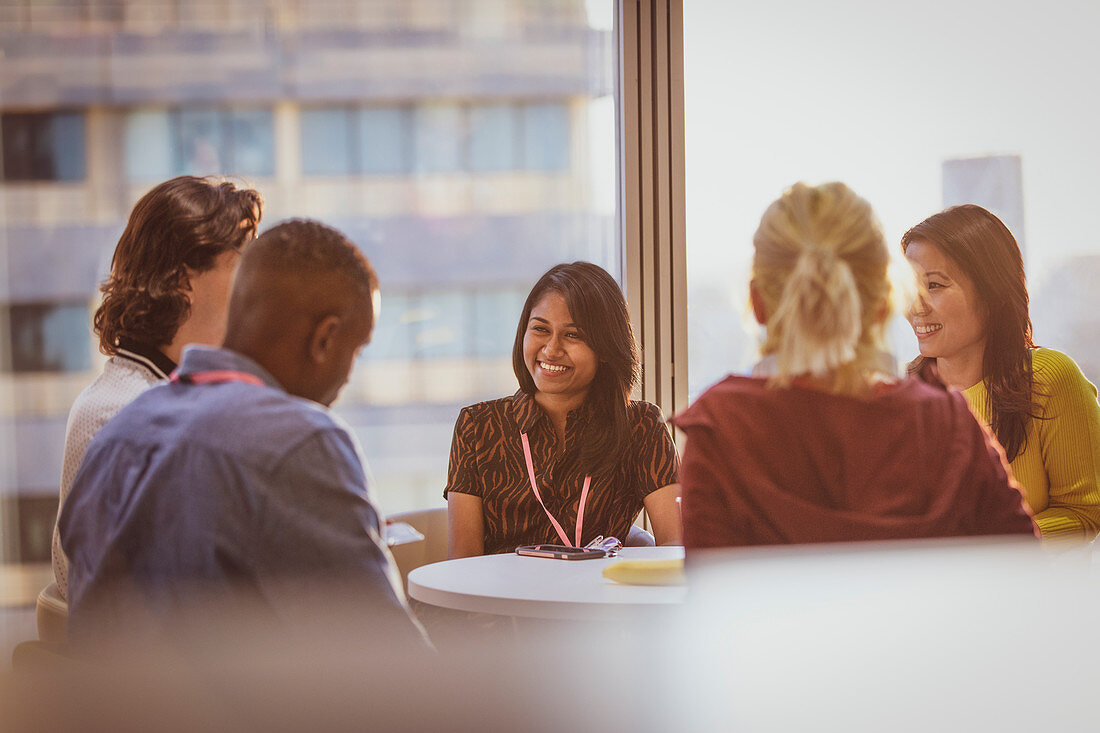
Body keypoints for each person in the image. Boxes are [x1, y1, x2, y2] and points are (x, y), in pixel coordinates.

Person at [59, 219, 427, 648]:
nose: (349, 376)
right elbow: (391, 666)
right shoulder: (301, 441)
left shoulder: (115, 436)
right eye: (356, 349)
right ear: (324, 339)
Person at [674, 182, 1036, 548]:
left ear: (758, 303)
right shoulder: (948, 423)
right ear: (882, 305)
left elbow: (713, 595)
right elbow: (1025, 578)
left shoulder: (720, 428)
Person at [51, 175, 263, 601]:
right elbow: (98, 593)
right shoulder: (118, 415)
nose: (256, 281)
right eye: (244, 260)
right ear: (183, 278)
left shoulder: (180, 392)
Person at [445, 262, 681, 557]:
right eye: (541, 329)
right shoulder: (478, 426)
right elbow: (464, 563)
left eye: (573, 335)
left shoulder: (641, 426)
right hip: (501, 600)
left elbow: (675, 546)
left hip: (599, 599)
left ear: (606, 348)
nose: (551, 349)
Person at [903, 204, 1100, 541]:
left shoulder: (1050, 377)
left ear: (991, 291)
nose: (915, 307)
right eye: (910, 286)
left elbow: (1085, 512)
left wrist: (990, 547)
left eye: (934, 285)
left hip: (1025, 588)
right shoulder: (903, 391)